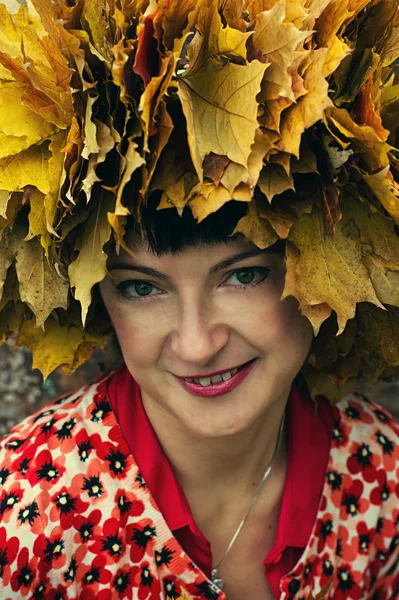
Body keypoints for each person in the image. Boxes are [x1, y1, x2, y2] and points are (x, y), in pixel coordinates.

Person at [0, 0, 398, 598]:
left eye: (242, 277)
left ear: (329, 263)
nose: (197, 342)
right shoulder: (23, 520)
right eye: (141, 288)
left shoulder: (382, 478)